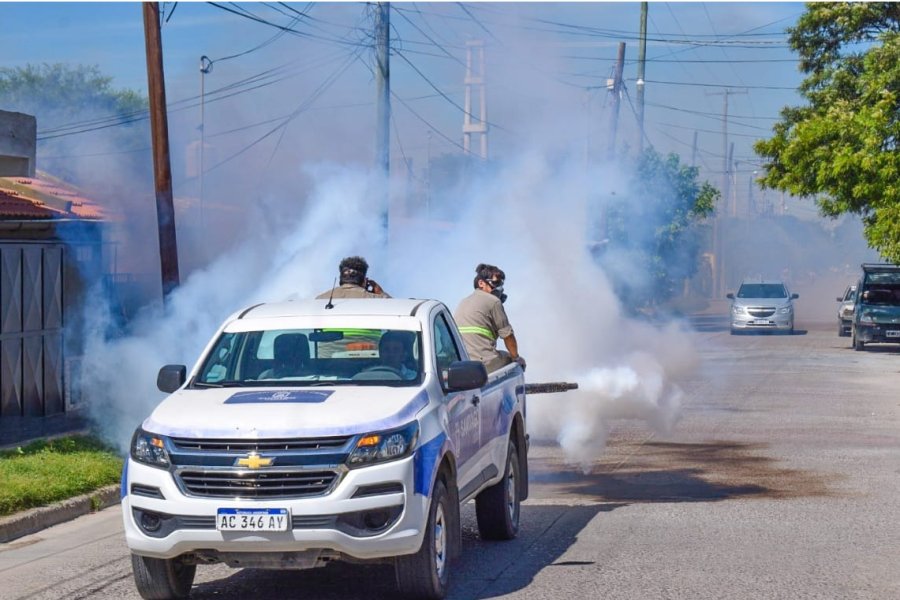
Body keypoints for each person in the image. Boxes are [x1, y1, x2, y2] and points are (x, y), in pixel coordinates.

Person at [454, 263, 526, 372]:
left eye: (500, 284)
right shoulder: (494, 301)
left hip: (462, 363)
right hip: (483, 363)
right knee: (513, 361)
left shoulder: (463, 302)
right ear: (481, 283)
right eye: (495, 283)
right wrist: (516, 358)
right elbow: (508, 336)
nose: (499, 288)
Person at [316, 256, 391, 299]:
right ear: (364, 281)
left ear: (341, 278)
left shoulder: (320, 299)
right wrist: (381, 293)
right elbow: (396, 310)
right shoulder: (376, 299)